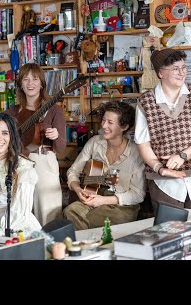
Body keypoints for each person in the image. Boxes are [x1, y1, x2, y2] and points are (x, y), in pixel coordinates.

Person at [63, 101, 146, 230]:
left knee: (96, 220)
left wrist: (103, 200)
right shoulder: (94, 142)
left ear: (124, 127)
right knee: (70, 211)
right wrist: (78, 190)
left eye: (110, 122)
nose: (104, 125)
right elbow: (73, 171)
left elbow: (138, 194)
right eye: (103, 120)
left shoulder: (136, 152)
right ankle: (86, 246)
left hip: (121, 205)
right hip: (93, 194)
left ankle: (85, 246)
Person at [5, 63, 66, 226]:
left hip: (43, 161)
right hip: (17, 163)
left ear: (41, 84)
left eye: (35, 79)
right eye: (25, 79)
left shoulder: (54, 110)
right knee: (19, 213)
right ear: (20, 84)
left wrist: (56, 136)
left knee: (48, 213)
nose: (30, 83)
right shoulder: (11, 112)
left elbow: (61, 148)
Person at [135, 48, 191, 212]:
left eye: (184, 67)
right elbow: (143, 144)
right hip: (163, 183)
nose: (182, 73)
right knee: (168, 232)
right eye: (175, 69)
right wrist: (159, 168)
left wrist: (183, 155)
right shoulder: (146, 102)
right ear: (161, 73)